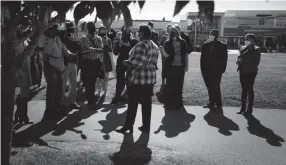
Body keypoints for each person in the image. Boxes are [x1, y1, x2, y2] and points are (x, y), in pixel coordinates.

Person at [116, 24, 159, 133]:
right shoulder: (154, 45)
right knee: (146, 104)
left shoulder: (141, 45)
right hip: (150, 78)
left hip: (139, 78)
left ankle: (128, 125)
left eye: (139, 31)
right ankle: (146, 126)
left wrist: (127, 62)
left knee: (132, 103)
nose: (137, 33)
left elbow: (137, 62)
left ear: (143, 33)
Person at [37, 24, 77, 121]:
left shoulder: (57, 38)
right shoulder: (44, 38)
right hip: (50, 66)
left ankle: (56, 110)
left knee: (59, 89)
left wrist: (70, 54)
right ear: (49, 30)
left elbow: (63, 49)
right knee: (52, 90)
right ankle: (48, 112)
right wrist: (46, 60)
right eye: (54, 29)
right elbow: (41, 50)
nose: (57, 31)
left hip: (59, 66)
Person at [160, 26, 189, 109]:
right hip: (171, 67)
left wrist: (186, 66)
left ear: (177, 32)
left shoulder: (183, 42)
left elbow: (186, 54)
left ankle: (178, 103)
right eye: (171, 31)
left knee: (179, 85)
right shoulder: (167, 43)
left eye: (174, 31)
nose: (172, 33)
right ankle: (169, 103)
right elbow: (167, 56)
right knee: (170, 85)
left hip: (180, 66)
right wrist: (162, 51)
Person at [13, 24, 35, 125]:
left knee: (25, 93)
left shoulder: (24, 41)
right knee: (23, 92)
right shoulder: (15, 42)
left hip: (25, 67)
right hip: (18, 69)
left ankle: (20, 115)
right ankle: (21, 115)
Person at [200, 29, 228, 109]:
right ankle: (211, 102)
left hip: (217, 70)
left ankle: (218, 104)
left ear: (217, 36)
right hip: (206, 70)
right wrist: (202, 69)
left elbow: (224, 58)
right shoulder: (205, 45)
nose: (211, 35)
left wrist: (223, 69)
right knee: (209, 86)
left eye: (213, 34)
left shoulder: (222, 45)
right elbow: (202, 58)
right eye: (211, 34)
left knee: (215, 86)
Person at [111, 26, 138, 105]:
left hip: (130, 63)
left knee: (131, 81)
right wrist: (119, 45)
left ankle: (130, 98)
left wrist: (128, 45)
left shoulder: (134, 41)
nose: (125, 34)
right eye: (123, 32)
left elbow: (137, 51)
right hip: (121, 63)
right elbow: (115, 52)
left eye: (127, 32)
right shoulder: (120, 41)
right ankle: (117, 98)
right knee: (120, 81)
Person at [79, 22, 104, 108]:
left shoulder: (98, 38)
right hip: (87, 62)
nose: (92, 29)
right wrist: (96, 49)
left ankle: (91, 100)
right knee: (87, 82)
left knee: (92, 81)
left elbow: (101, 49)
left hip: (94, 62)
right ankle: (90, 99)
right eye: (91, 27)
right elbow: (87, 48)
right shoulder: (83, 38)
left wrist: (94, 49)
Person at [236, 33, 261, 116]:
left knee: (249, 90)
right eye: (245, 38)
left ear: (252, 40)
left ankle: (249, 108)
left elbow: (256, 62)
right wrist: (238, 61)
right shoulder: (242, 48)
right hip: (242, 71)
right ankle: (242, 108)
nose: (246, 40)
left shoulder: (256, 49)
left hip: (251, 72)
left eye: (247, 39)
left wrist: (244, 61)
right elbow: (239, 57)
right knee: (243, 90)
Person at [60, 21, 82, 110]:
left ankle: (72, 101)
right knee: (63, 84)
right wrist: (72, 40)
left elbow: (79, 47)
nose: (72, 29)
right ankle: (62, 103)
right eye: (70, 28)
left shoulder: (73, 37)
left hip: (73, 63)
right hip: (65, 63)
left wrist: (75, 40)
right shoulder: (62, 38)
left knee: (73, 84)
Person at [95, 26, 116, 98]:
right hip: (98, 60)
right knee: (99, 77)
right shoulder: (96, 39)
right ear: (99, 31)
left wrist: (106, 44)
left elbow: (110, 50)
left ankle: (105, 91)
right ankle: (98, 91)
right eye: (102, 31)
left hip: (106, 61)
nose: (103, 33)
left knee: (106, 77)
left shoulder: (109, 39)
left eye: (105, 32)